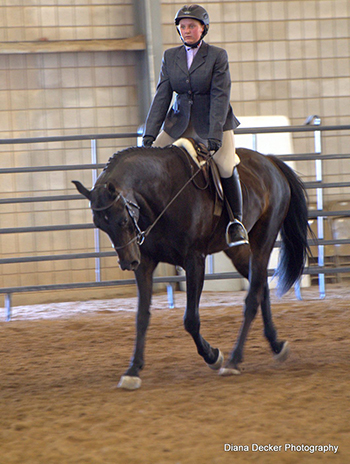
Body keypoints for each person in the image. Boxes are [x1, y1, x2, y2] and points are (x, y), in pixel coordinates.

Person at [142, 4, 249, 247]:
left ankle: (236, 223)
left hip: (213, 120)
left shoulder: (217, 56)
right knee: (151, 157)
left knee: (225, 163)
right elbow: (162, 96)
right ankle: (149, 220)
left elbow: (221, 96)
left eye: (192, 26)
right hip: (179, 121)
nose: (187, 30)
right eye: (183, 27)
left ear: (203, 28)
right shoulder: (170, 57)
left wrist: (214, 135)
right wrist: (150, 134)